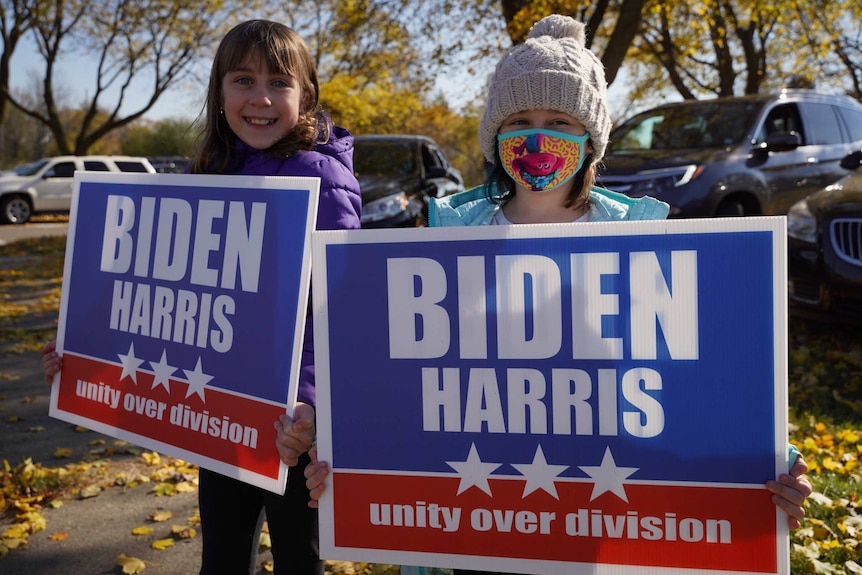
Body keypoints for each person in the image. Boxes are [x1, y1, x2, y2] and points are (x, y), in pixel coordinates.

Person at [300, 12, 812, 575]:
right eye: (519, 117)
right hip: (479, 518)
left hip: (600, 515)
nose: (537, 136)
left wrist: (770, 464)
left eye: (559, 119)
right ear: (494, 134)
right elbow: (405, 377)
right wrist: (347, 456)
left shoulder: (642, 238)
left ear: (591, 136)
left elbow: (700, 372)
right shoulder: (448, 237)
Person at [41, 19, 361, 575]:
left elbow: (342, 312)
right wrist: (80, 353)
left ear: (305, 95)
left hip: (295, 426)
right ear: (218, 91)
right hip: (220, 412)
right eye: (242, 80)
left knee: (298, 559)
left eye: (278, 82)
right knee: (221, 557)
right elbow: (153, 292)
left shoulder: (323, 179)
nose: (260, 98)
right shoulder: (211, 169)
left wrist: (313, 407)